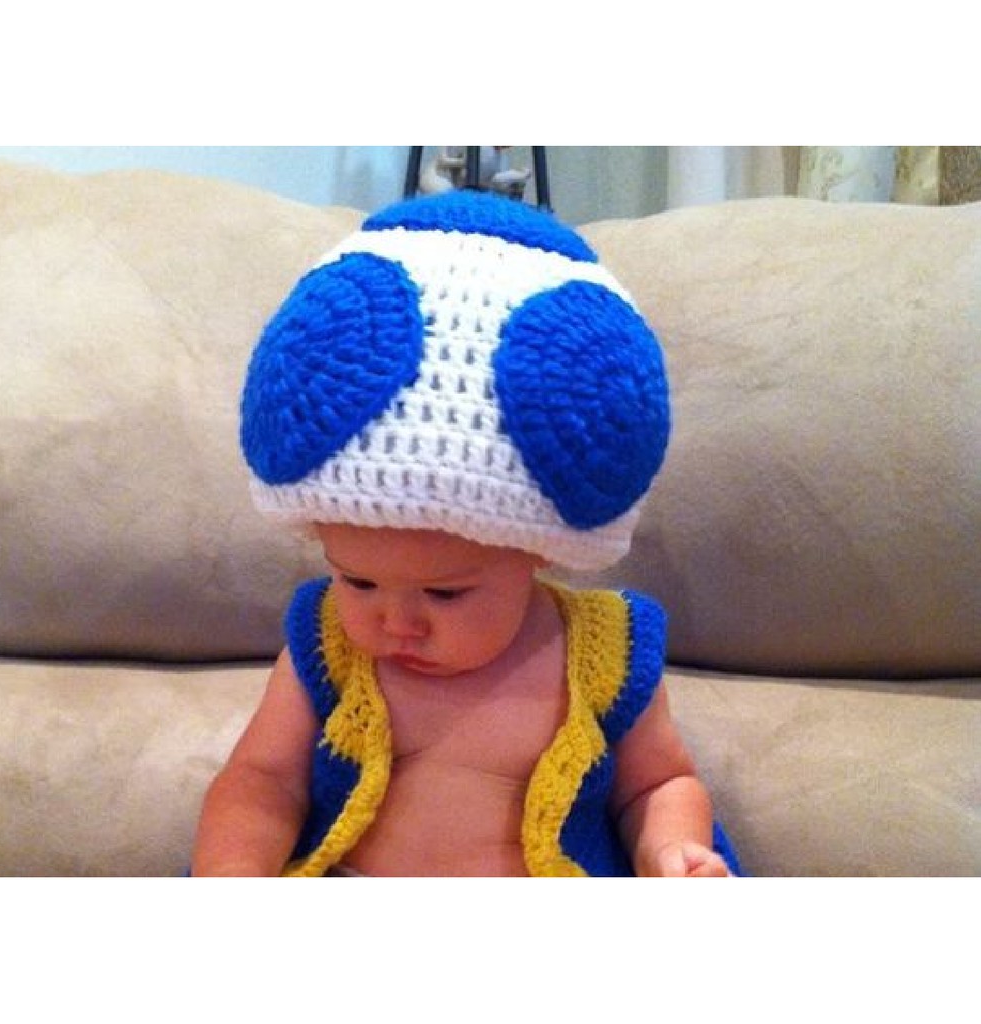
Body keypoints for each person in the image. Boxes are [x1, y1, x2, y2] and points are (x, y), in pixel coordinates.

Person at [191, 190, 741, 877]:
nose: (396, 621)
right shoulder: (326, 645)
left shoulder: (605, 657)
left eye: (445, 593)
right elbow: (262, 782)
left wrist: (670, 850)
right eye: (357, 580)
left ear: (537, 550)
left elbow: (658, 785)